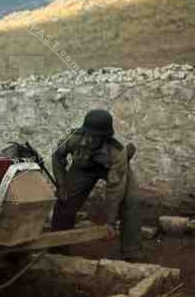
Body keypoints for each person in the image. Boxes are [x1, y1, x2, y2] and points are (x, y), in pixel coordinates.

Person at [51, 109, 143, 261]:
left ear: (105, 137)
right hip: (83, 168)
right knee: (65, 200)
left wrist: (110, 222)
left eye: (96, 137)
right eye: (88, 135)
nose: (89, 140)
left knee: (131, 201)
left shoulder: (117, 153)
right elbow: (57, 156)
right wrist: (61, 185)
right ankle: (57, 248)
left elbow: (115, 190)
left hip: (112, 170)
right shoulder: (73, 138)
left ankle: (132, 253)